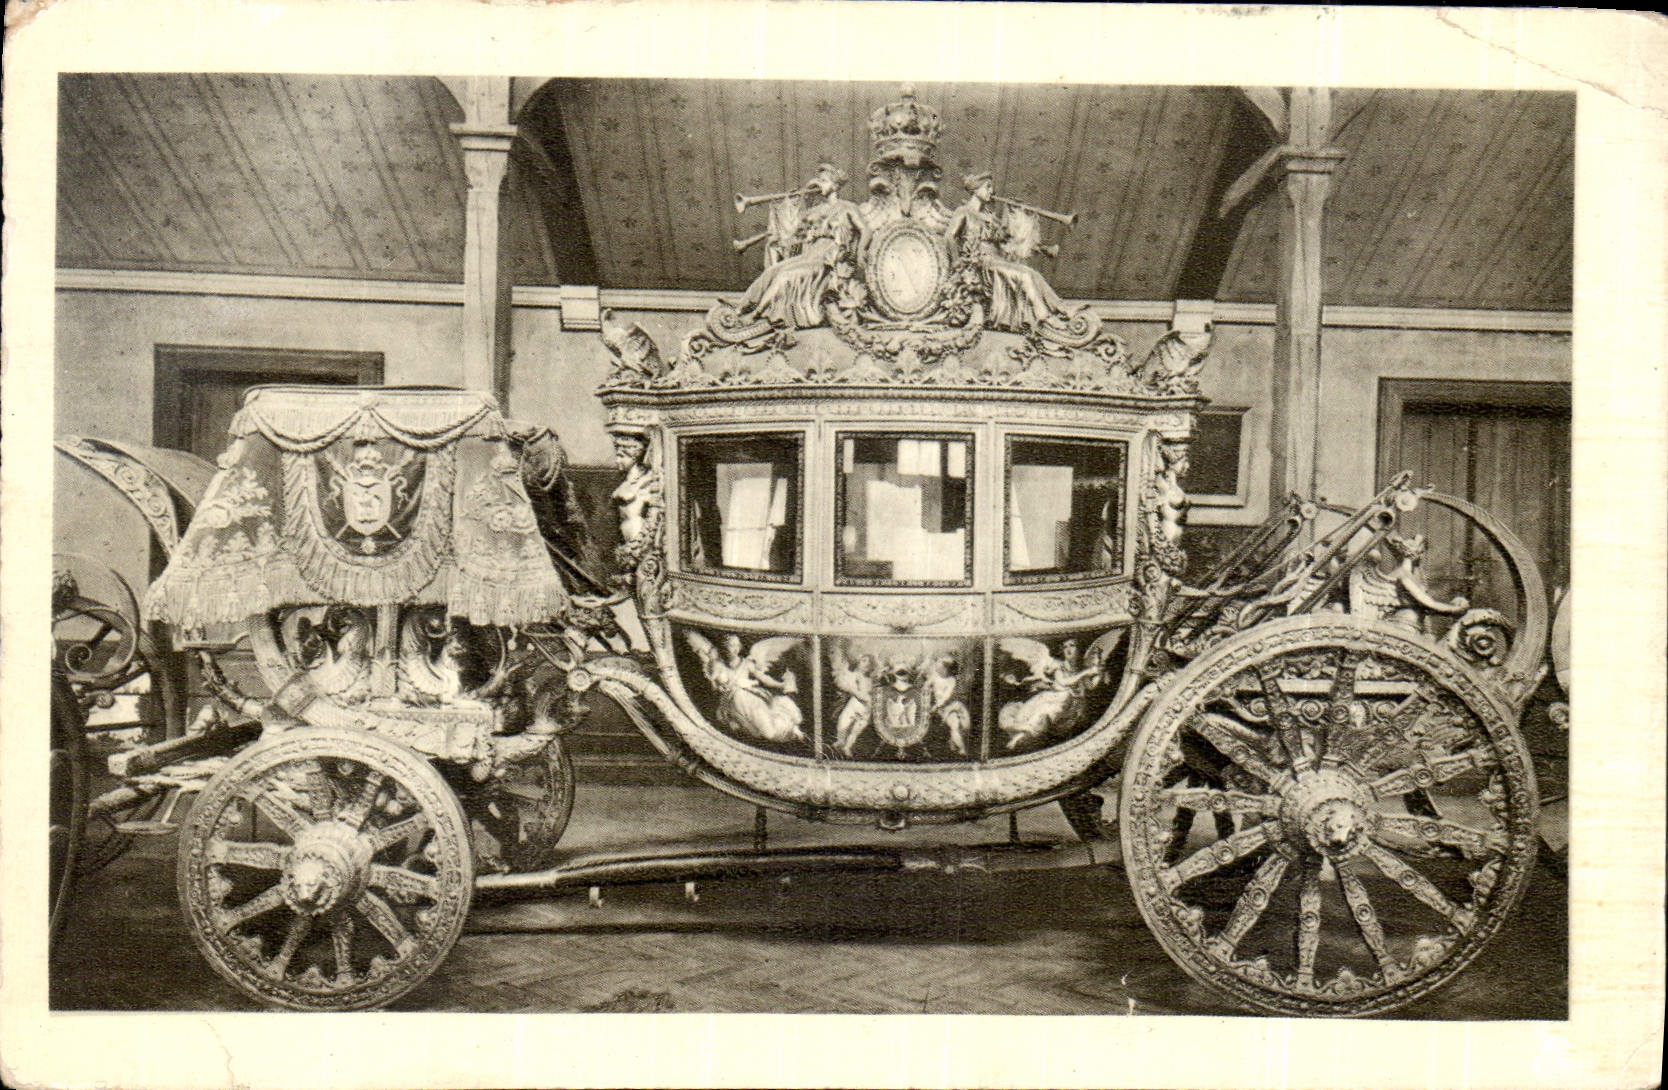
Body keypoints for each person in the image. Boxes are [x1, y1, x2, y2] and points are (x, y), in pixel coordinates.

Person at [736, 164, 869, 328]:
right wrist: (788, 205)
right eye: (818, 180)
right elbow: (795, 235)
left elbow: (866, 230)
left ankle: (756, 315)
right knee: (772, 271)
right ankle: (740, 308)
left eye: (824, 181)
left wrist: (861, 250)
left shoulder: (848, 208)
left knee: (784, 277)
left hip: (825, 262)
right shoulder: (814, 211)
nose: (819, 184)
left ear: (835, 186)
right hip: (808, 256)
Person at [944, 172, 1076, 333]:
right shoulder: (963, 211)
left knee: (1033, 273)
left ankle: (1060, 308)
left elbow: (1006, 240)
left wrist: (1017, 215)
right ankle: (1044, 318)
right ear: (975, 189)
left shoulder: (989, 217)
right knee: (1024, 276)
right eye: (987, 187)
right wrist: (957, 262)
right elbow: (949, 237)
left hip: (997, 258)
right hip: (982, 262)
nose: (991, 191)